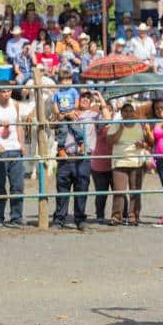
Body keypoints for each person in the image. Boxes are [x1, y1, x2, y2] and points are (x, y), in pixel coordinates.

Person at [50, 89, 102, 231]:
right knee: (62, 189)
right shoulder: (63, 112)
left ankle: (80, 219)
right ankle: (59, 219)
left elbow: (108, 117)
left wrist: (100, 98)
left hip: (82, 157)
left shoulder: (92, 115)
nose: (84, 100)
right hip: (65, 156)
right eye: (82, 97)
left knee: (81, 188)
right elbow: (52, 124)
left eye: (87, 98)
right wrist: (65, 115)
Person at [0, 87, 26, 228]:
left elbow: (18, 125)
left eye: (8, 91)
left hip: (15, 148)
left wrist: (22, 144)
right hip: (0, 150)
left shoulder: (15, 104)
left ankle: (16, 216)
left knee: (18, 185)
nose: (6, 94)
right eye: (3, 91)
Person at [107, 102, 149, 226]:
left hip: (137, 162)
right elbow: (110, 141)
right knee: (119, 191)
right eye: (126, 111)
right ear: (121, 113)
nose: (129, 113)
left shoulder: (140, 125)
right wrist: (121, 128)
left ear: (134, 113)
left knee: (135, 191)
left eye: (131, 111)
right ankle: (116, 217)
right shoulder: (116, 125)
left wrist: (143, 145)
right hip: (120, 162)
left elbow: (148, 142)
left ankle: (133, 217)